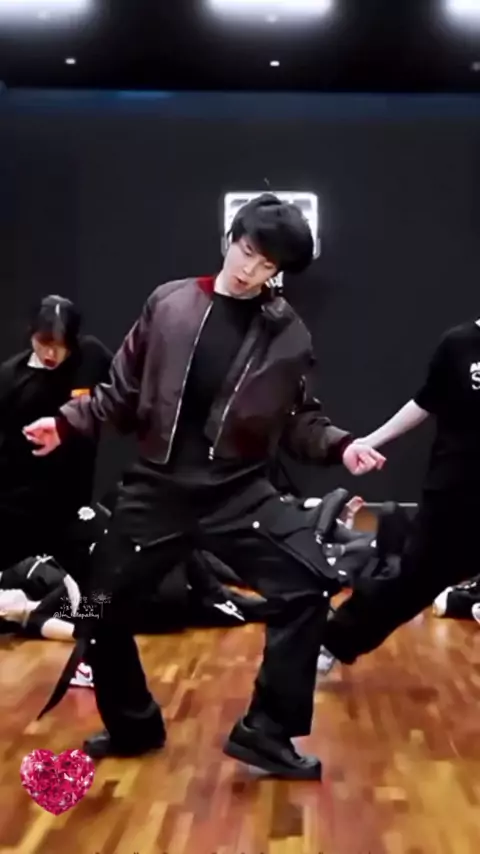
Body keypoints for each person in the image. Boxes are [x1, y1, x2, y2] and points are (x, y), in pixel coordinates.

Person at [23, 194, 384, 781]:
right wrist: (65, 422)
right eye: (247, 251)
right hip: (158, 489)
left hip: (238, 492)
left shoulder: (288, 334)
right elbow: (121, 391)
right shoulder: (169, 304)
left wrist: (342, 445)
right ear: (230, 238)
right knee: (98, 605)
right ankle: (132, 724)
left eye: (267, 265)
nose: (250, 269)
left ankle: (267, 730)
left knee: (308, 583)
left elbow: (298, 419)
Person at [316, 318, 480, 674]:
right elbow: (424, 402)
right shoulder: (459, 344)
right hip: (455, 493)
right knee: (410, 580)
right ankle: (333, 641)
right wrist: (369, 441)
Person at [0, 295, 112, 581]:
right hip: (17, 508)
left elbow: (123, 391)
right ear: (31, 335)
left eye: (59, 346)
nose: (51, 353)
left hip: (71, 507)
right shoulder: (11, 376)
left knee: (93, 591)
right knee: (28, 585)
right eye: (43, 342)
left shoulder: (89, 357)